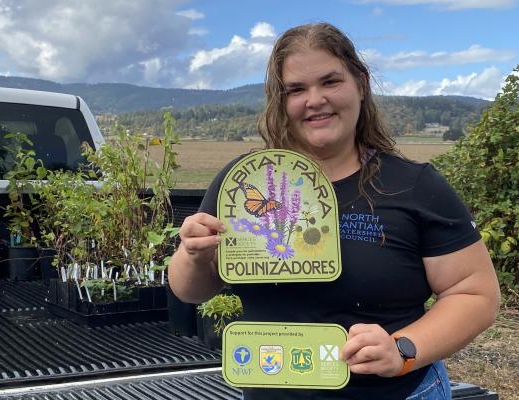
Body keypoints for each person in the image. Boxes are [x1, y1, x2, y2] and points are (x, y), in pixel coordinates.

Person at [168, 22, 499, 399]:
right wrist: (194, 256)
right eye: (296, 89)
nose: (315, 100)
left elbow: (475, 294)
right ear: (281, 101)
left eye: (330, 82)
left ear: (360, 84)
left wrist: (403, 349)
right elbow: (190, 291)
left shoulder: (414, 186)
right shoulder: (246, 182)